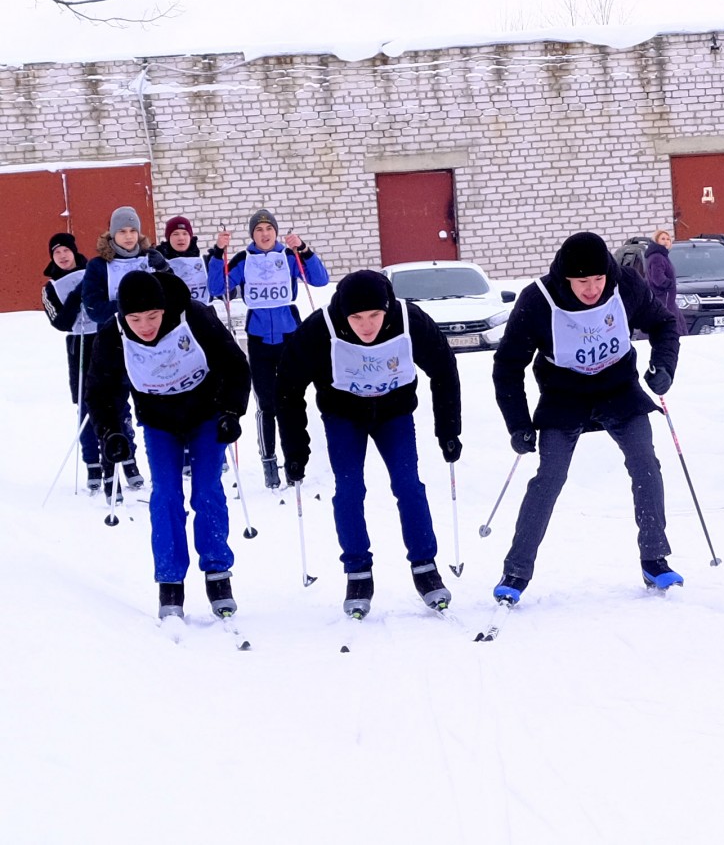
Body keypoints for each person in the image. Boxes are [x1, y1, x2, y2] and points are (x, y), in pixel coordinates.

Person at [490, 232, 683, 605]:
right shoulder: (538, 299)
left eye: (598, 280)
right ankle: (516, 570)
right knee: (550, 477)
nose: (592, 289)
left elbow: (663, 324)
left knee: (646, 463)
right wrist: (517, 423)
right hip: (564, 397)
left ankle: (654, 559)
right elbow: (508, 365)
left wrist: (664, 367)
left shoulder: (625, 284)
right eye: (583, 282)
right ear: (566, 278)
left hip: (619, 390)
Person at [278, 271, 464, 617]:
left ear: (387, 308)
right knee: (349, 489)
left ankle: (425, 566)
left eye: (375, 316)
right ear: (344, 315)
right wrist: (295, 451)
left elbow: (443, 367)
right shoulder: (321, 328)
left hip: (394, 414)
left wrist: (448, 430)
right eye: (357, 318)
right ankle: (358, 571)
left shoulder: (408, 319)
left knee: (408, 485)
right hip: (343, 416)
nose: (367, 326)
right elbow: (287, 387)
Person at [86, 270, 250, 620]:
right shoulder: (112, 336)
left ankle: (218, 572)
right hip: (159, 423)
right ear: (123, 316)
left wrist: (231, 410)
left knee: (206, 490)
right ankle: (170, 581)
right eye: (135, 318)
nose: (144, 326)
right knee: (166, 494)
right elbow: (101, 393)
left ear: (164, 309)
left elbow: (234, 364)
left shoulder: (193, 316)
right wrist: (112, 433)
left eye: (152, 317)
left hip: (206, 416)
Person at [208, 209, 330, 489]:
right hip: (260, 339)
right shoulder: (243, 259)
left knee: (290, 401)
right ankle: (268, 461)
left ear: (276, 232)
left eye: (269, 229)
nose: (264, 234)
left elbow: (320, 280)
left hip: (290, 336)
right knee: (266, 404)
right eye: (259, 230)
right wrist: (218, 252)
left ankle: (294, 459)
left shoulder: (288, 256)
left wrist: (304, 249)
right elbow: (217, 287)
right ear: (252, 234)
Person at [81, 206, 172, 489]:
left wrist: (163, 270)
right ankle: (112, 467)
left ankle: (143, 461)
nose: (129, 236)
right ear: (112, 234)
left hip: (148, 346)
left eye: (133, 230)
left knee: (152, 407)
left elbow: (171, 297)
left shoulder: (151, 259)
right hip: (112, 346)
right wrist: (128, 310)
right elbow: (94, 306)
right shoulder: (99, 266)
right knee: (113, 408)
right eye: (122, 231)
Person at [42, 232, 134, 493]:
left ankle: (127, 457)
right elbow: (59, 322)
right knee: (87, 405)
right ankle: (92, 463)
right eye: (56, 252)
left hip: (105, 338)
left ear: (74, 251)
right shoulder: (50, 287)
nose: (62, 256)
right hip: (78, 344)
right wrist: (74, 297)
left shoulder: (94, 269)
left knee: (117, 401)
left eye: (66, 251)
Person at [158, 216, 212, 305]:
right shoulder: (158, 262)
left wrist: (218, 265)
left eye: (185, 233)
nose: (181, 238)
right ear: (168, 238)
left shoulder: (204, 261)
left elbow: (227, 294)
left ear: (190, 236)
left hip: (201, 316)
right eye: (175, 234)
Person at [644, 228, 687, 334]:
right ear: (656, 241)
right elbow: (657, 278)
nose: (666, 241)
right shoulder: (657, 257)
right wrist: (669, 284)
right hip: (664, 299)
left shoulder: (661, 256)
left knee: (679, 325)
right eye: (663, 238)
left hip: (667, 299)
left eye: (668, 239)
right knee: (671, 327)